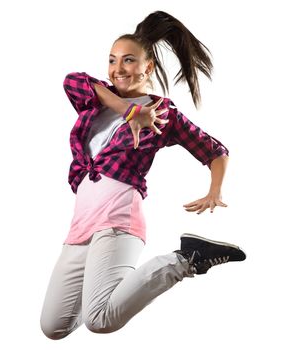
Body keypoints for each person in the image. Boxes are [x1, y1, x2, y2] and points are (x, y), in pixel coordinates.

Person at [40, 11, 246, 338]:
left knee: (100, 320)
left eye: (128, 60)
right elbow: (72, 80)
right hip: (81, 226)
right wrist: (128, 110)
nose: (117, 69)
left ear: (147, 67)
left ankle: (186, 259)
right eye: (112, 60)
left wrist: (214, 190)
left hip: (119, 220)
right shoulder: (95, 101)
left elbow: (215, 151)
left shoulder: (162, 112)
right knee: (53, 326)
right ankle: (104, 296)